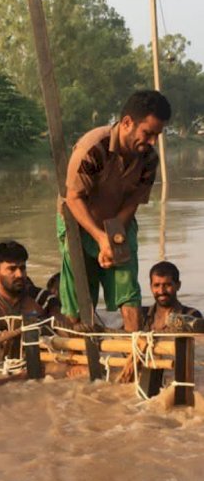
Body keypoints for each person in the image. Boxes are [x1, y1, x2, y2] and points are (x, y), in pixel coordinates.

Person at [60, 90, 172, 331]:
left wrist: (113, 236)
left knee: (127, 286)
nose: (152, 142)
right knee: (79, 294)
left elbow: (132, 202)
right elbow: (73, 197)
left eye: (157, 136)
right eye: (148, 133)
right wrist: (100, 238)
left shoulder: (149, 160)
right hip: (78, 219)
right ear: (127, 123)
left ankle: (134, 358)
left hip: (117, 220)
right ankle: (75, 357)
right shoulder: (93, 148)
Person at [0, 241, 59, 322]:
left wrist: (40, 315)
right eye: (12, 269)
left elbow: (63, 332)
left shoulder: (43, 299)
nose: (19, 274)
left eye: (22, 268)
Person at [142, 261, 204, 332]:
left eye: (167, 285)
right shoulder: (142, 315)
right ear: (151, 287)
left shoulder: (191, 315)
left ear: (178, 285)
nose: (161, 291)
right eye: (156, 285)